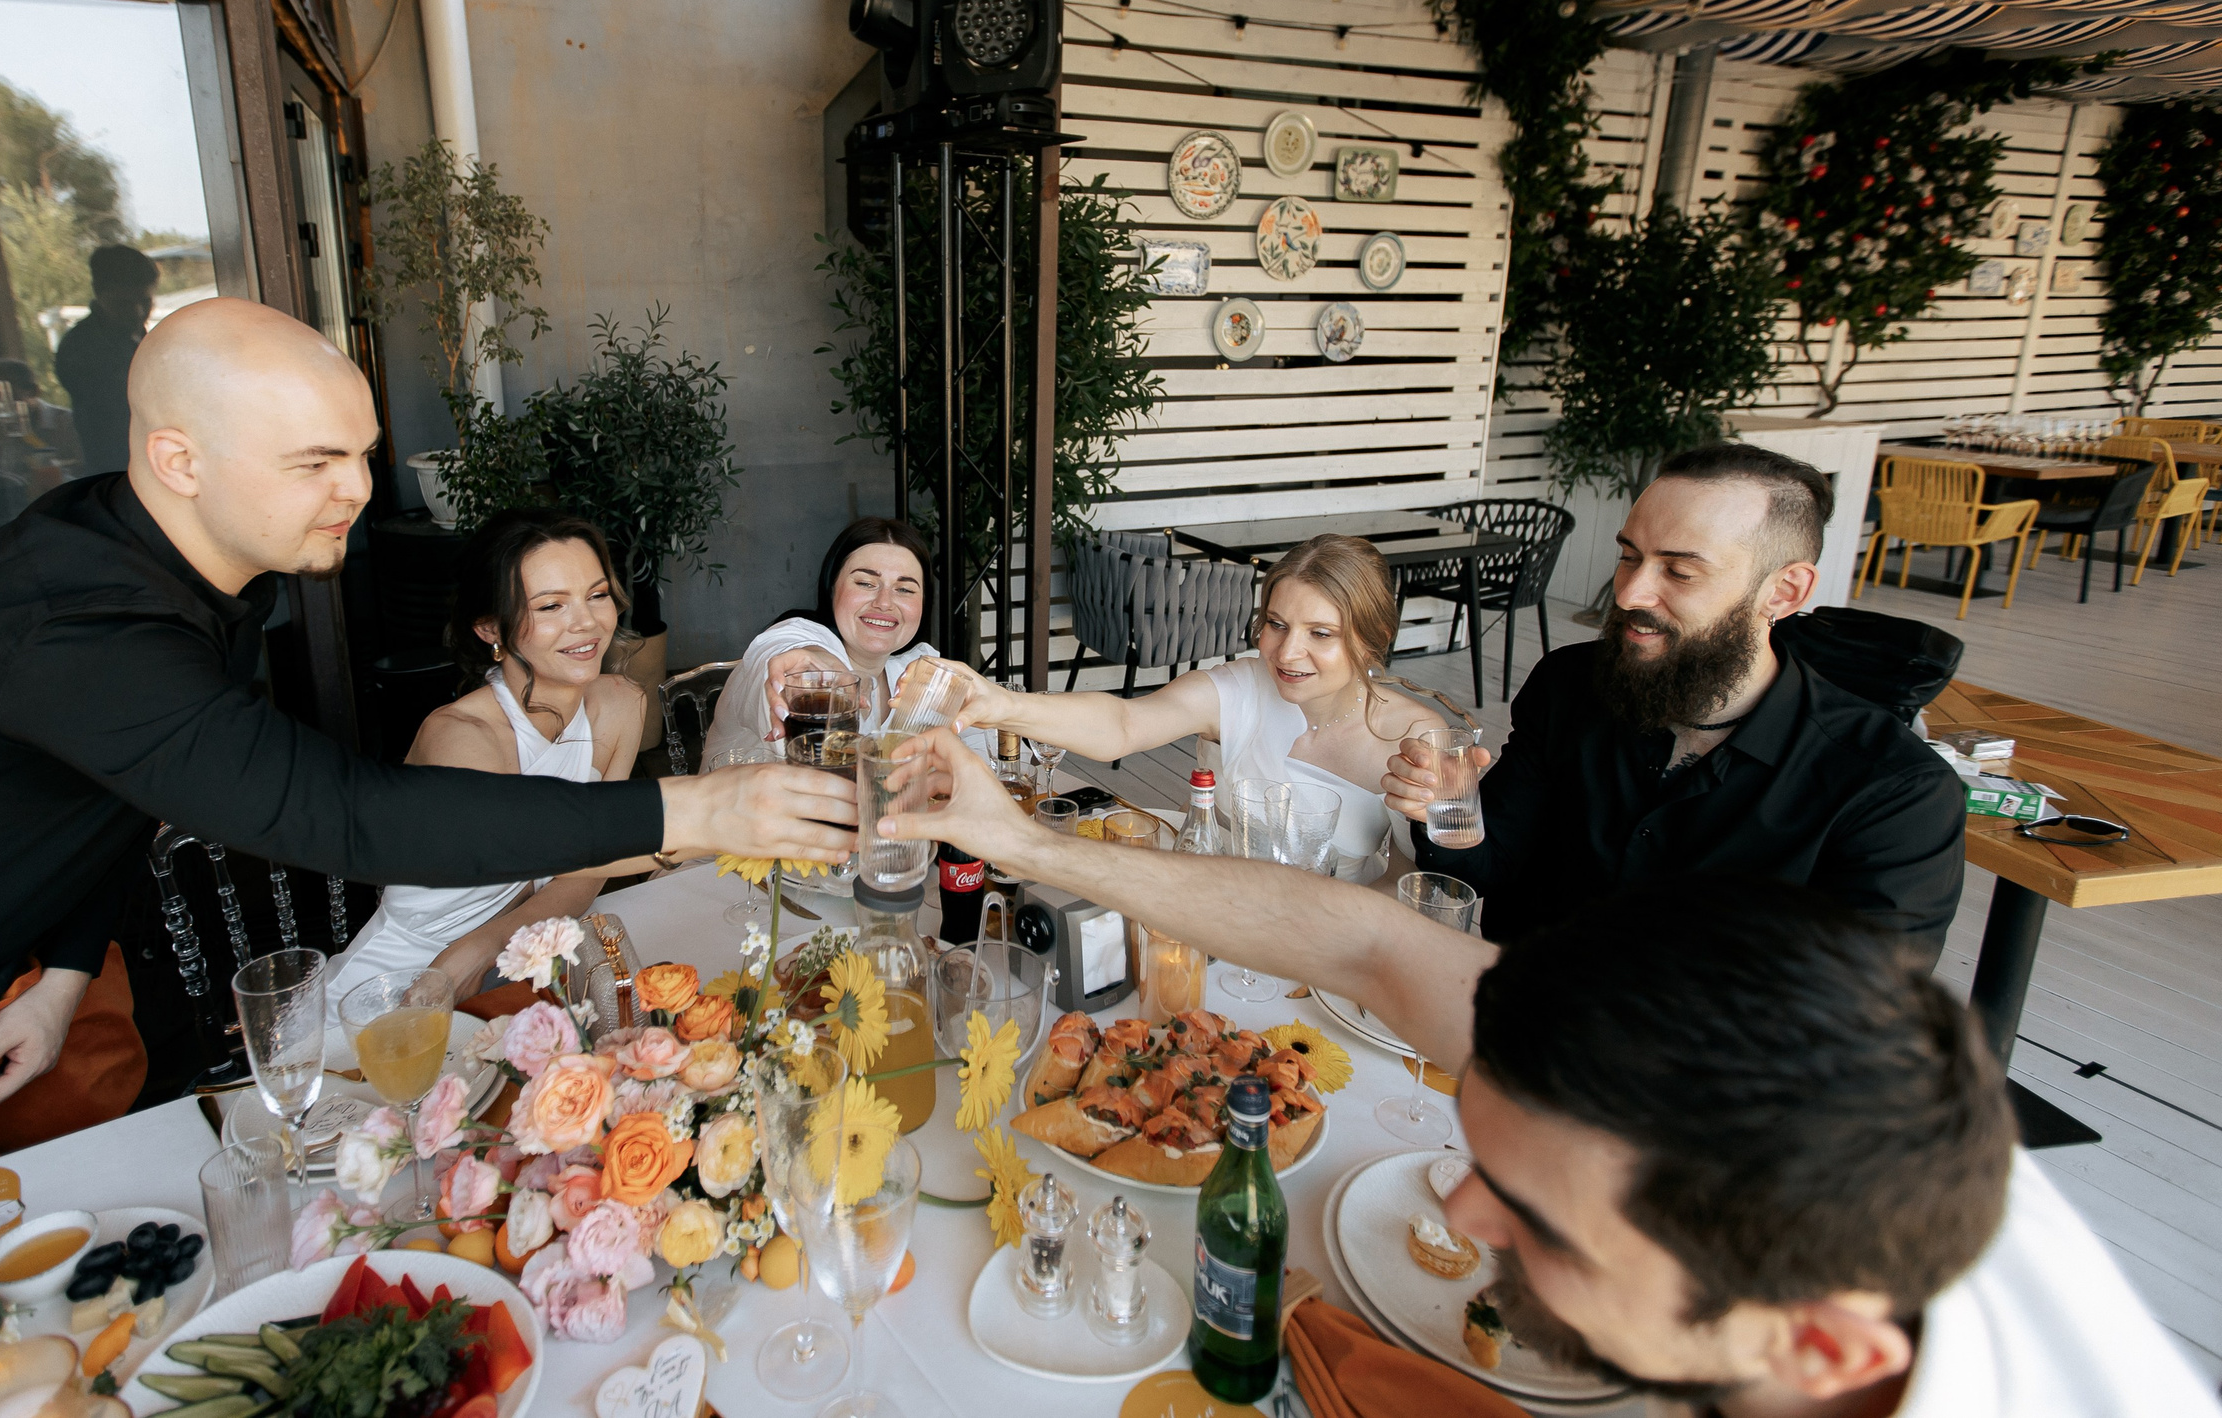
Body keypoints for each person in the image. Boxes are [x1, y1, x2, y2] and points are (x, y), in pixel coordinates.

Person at [0, 299, 849, 1199]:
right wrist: (689, 810)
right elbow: (349, 815)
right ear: (181, 460)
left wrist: (66, 970)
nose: (358, 488)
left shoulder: (179, 572)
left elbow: (116, 790)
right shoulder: (78, 613)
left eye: (362, 452)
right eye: (316, 463)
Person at [879, 732, 2222, 1418]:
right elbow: (1363, 939)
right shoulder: (1742, 1119)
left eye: (1535, 1214)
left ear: (1823, 1349)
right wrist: (1024, 842)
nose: (1460, 1215)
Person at [1385, 441, 1964, 954]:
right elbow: (1493, 868)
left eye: (1680, 572)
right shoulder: (1570, 684)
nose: (1631, 592)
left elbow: (1850, 1027)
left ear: (1784, 591)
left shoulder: (1895, 794)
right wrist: (1450, 816)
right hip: (1511, 1016)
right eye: (1629, 555)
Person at [948, 534, 1441, 880]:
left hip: (1335, 959)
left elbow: (1407, 887)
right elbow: (1124, 723)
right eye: (1276, 623)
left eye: (1321, 634)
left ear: (1373, 638)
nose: (1287, 653)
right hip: (1212, 913)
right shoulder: (1246, 687)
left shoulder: (1414, 736)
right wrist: (1000, 704)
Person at [327, 511, 646, 1007]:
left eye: (597, 594)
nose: (587, 623)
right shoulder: (462, 737)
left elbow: (588, 870)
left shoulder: (623, 705)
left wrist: (484, 946)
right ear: (490, 627)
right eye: (550, 606)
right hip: (406, 978)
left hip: (521, 957)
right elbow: (574, 857)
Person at [702, 517, 940, 764]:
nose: (884, 602)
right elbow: (780, 654)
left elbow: (974, 749)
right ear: (832, 587)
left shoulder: (919, 671)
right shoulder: (795, 634)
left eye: (904, 590)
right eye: (866, 583)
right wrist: (818, 670)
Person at [56, 244, 159, 475]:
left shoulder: (137, 336)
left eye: (145, 302)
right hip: (115, 470)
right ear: (98, 293)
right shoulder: (80, 348)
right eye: (123, 304)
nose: (138, 313)